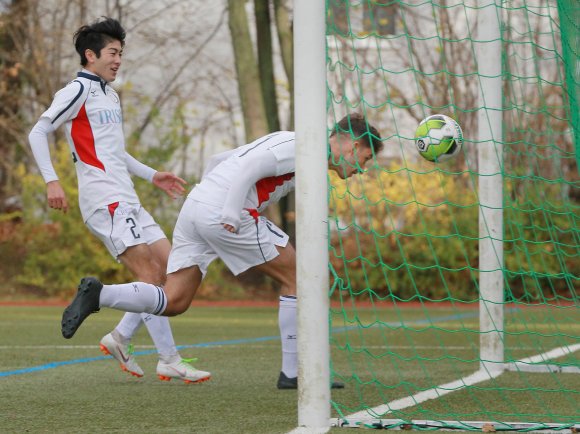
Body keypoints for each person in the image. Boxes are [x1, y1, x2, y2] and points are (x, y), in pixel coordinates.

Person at [60, 113, 383, 389]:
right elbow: (251, 167)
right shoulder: (308, 147)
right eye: (366, 159)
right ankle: (293, 373)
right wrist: (229, 211)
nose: (362, 168)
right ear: (354, 146)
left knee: (174, 300)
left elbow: (220, 160)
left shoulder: (291, 139)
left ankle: (99, 295)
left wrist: (210, 199)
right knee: (304, 277)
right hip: (227, 212)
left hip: (197, 206)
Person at [28, 17, 210, 384]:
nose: (118, 60)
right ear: (90, 55)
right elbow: (39, 130)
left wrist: (151, 175)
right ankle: (169, 359)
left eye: (121, 53)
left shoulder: (109, 94)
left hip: (128, 197)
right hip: (104, 201)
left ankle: (121, 337)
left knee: (176, 267)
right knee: (152, 278)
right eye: (112, 52)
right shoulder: (77, 90)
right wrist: (52, 181)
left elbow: (115, 152)